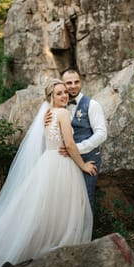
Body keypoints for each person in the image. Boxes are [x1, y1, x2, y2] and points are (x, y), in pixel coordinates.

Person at [0, 79, 96, 267]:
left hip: (48, 161)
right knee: (62, 206)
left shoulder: (47, 113)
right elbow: (70, 145)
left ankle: (40, 240)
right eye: (59, 93)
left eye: (65, 92)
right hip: (62, 164)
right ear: (51, 97)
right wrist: (84, 165)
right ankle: (58, 245)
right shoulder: (62, 113)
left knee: (46, 206)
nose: (64, 96)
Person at [45, 69, 107, 211]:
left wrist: (76, 148)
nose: (73, 86)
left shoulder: (92, 105)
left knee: (85, 198)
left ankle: (86, 233)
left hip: (87, 159)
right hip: (66, 163)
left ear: (81, 82)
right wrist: (46, 119)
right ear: (62, 84)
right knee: (69, 202)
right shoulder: (60, 103)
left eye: (76, 82)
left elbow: (102, 133)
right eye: (68, 83)